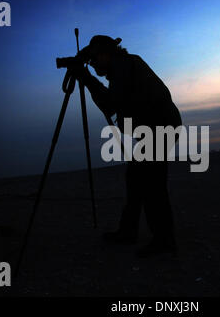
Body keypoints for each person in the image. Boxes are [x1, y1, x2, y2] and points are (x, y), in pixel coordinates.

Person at [75, 35, 182, 258]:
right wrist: (87, 76)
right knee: (136, 178)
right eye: (90, 61)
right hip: (156, 126)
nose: (93, 65)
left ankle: (164, 241)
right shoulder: (124, 66)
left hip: (159, 126)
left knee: (152, 184)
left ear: (106, 54)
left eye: (94, 59)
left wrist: (86, 78)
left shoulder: (123, 65)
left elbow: (109, 103)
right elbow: (114, 103)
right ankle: (129, 231)